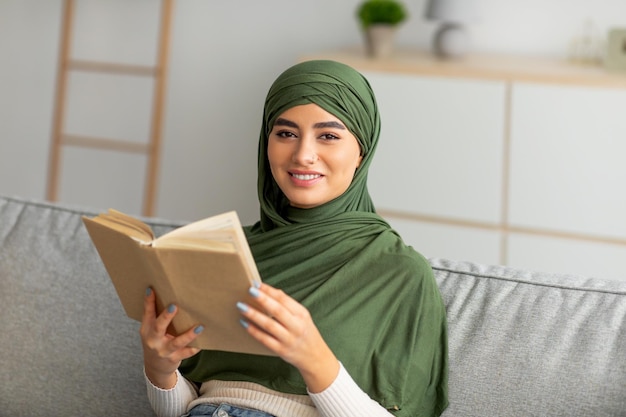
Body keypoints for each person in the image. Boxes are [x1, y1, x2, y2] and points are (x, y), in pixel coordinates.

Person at [140, 59, 449, 417]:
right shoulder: (223, 251)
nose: (303, 155)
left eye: (329, 136)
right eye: (285, 133)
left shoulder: (399, 272)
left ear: (362, 150)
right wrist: (159, 370)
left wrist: (315, 359)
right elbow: (189, 405)